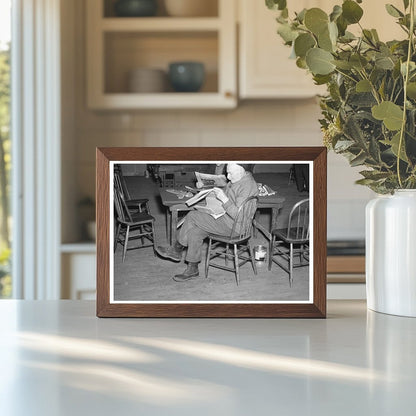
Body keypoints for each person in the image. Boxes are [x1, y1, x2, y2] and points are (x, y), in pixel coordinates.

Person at [156, 163, 258, 282]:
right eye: (227, 172)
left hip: (236, 227)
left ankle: (177, 249)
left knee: (193, 216)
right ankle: (192, 268)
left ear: (242, 170)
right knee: (195, 231)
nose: (228, 177)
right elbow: (228, 191)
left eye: (231, 173)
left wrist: (224, 199)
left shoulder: (247, 186)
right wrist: (206, 189)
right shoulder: (238, 178)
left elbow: (238, 216)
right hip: (226, 219)